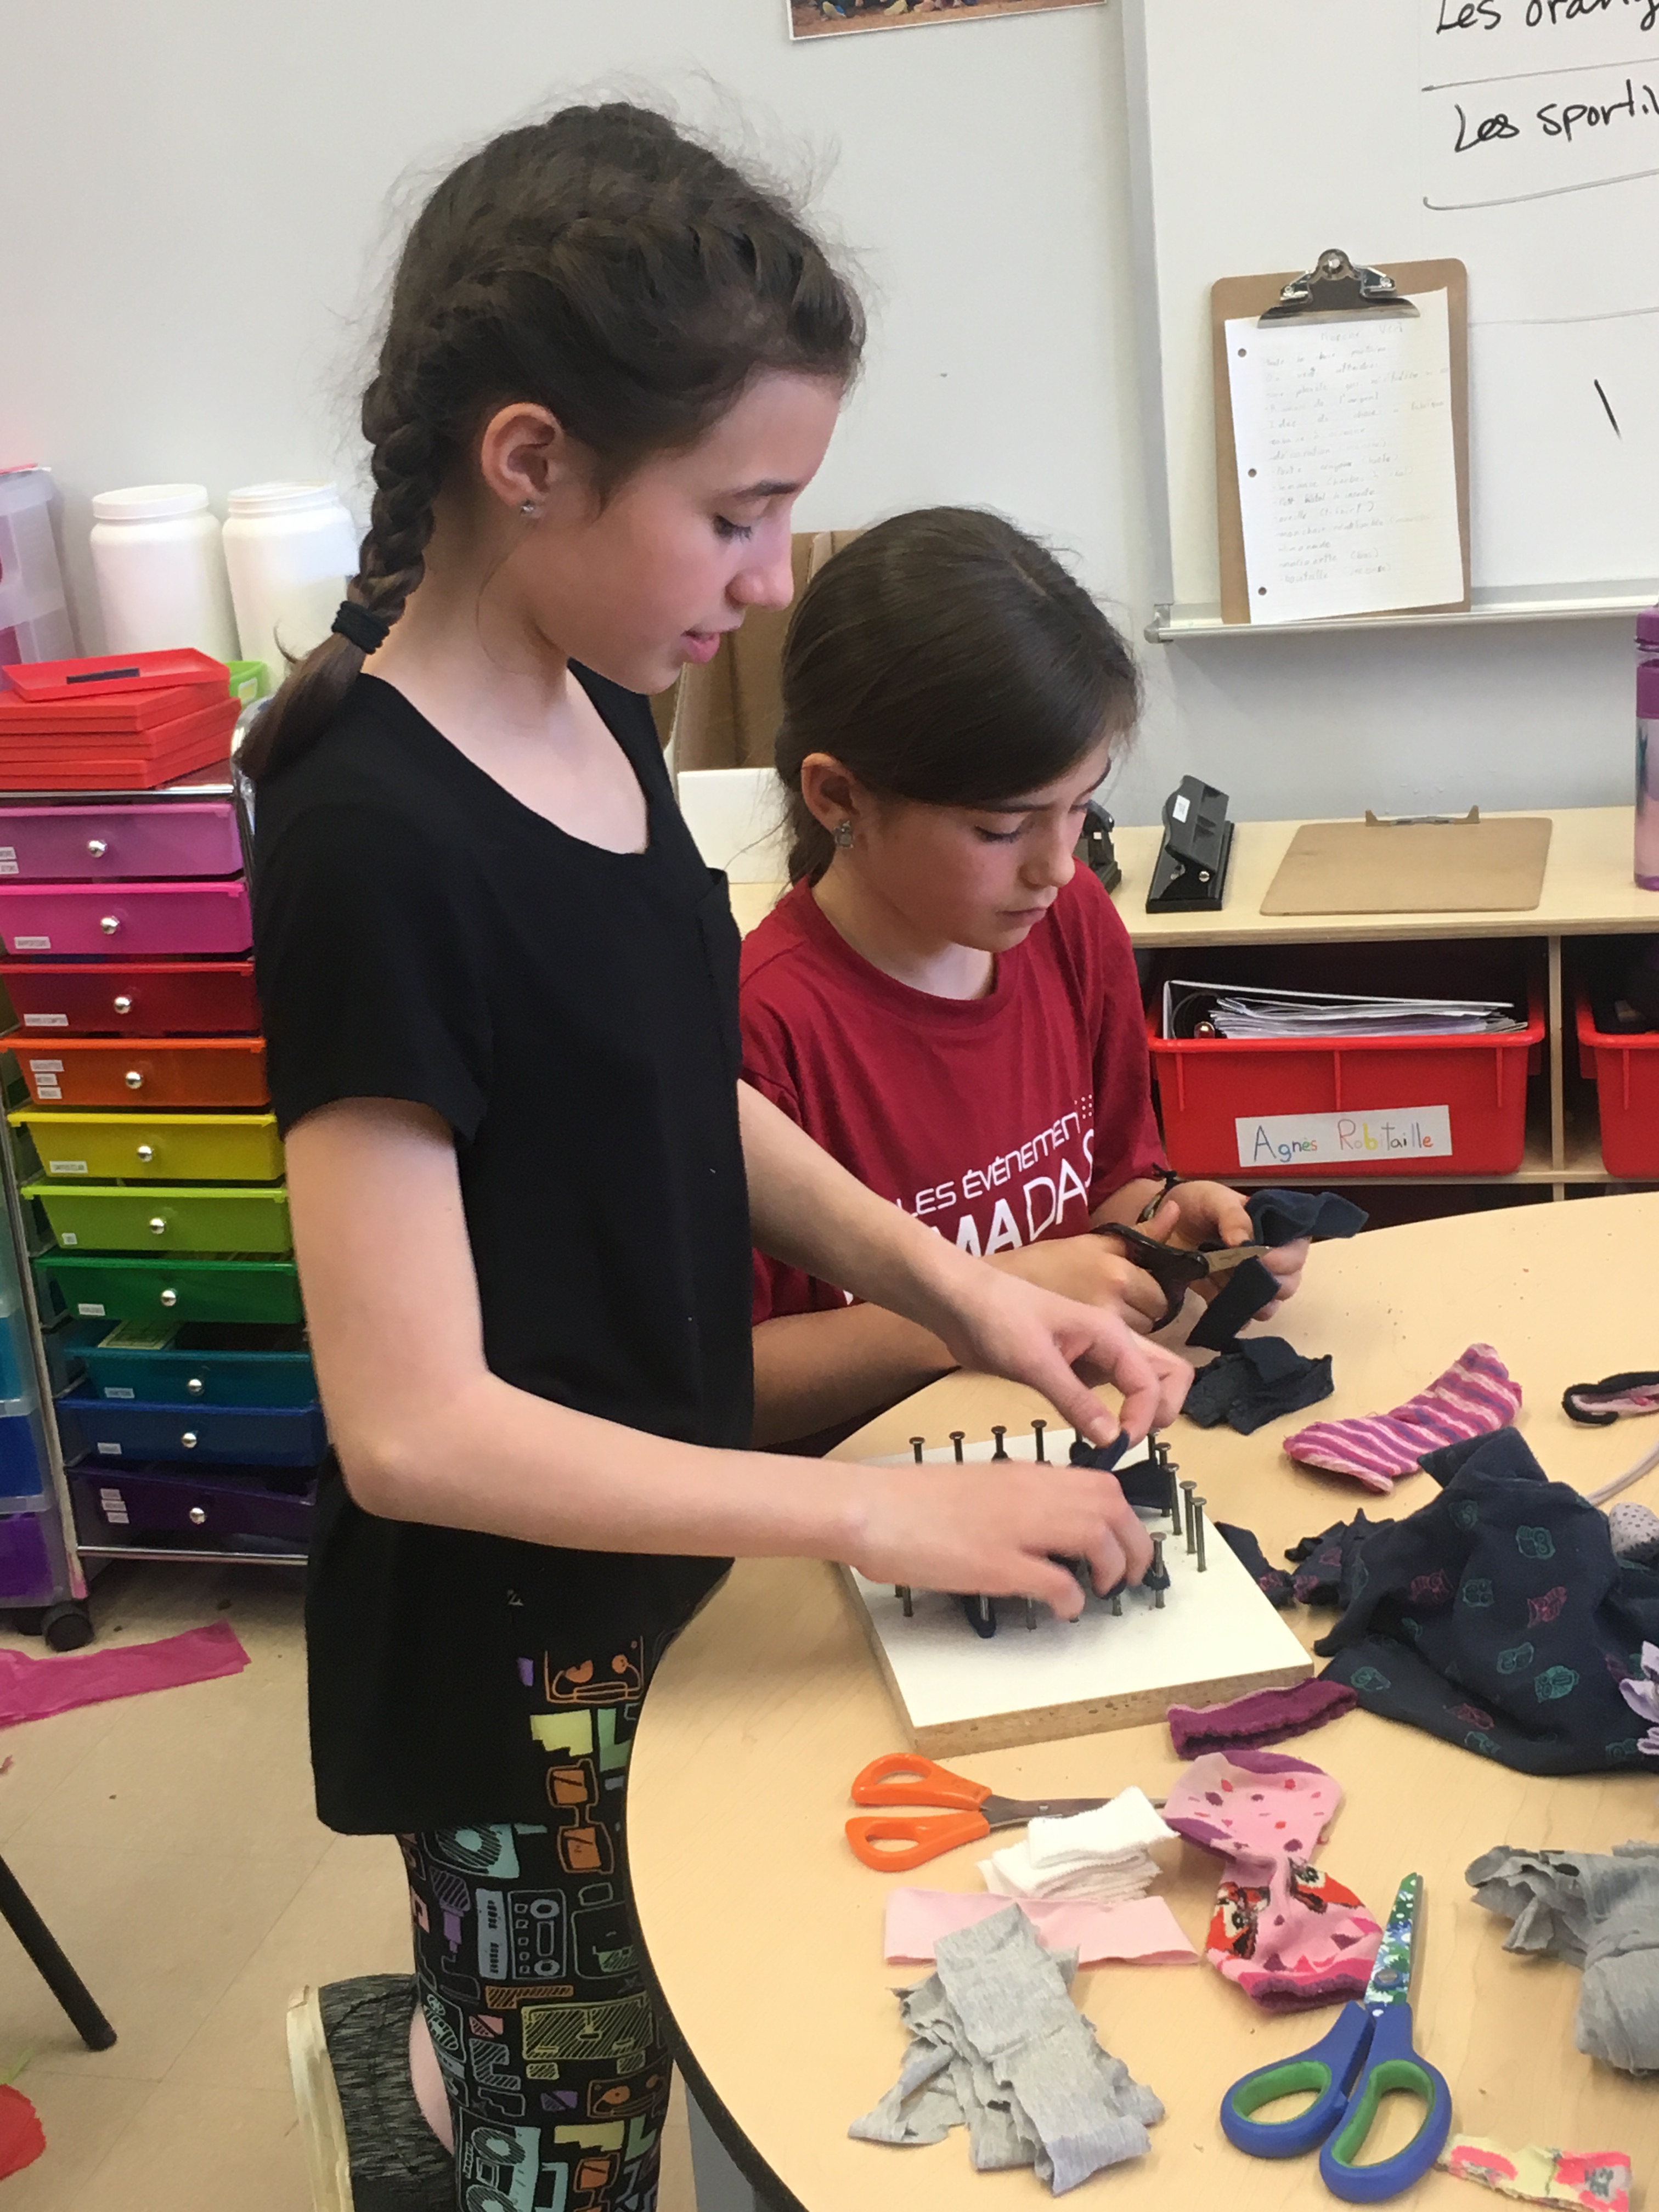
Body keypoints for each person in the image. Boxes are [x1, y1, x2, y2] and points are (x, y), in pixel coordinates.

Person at [247, 110, 1187, 2212]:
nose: (771, 580)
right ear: (528, 460)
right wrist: (869, 1505)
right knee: (574, 2147)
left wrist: (967, 1290)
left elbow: (666, 1082)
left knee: (721, 2008)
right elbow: (413, 1429)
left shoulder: (602, 707)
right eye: (737, 516)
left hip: (679, 1563)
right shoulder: (371, 842)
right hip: (513, 1661)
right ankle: (432, 2066)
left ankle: (450, 2042)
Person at [742, 508, 1310, 1451]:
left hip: (1061, 1440)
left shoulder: (1069, 919)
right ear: (839, 797)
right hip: (874, 1485)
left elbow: (1111, 1189)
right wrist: (986, 1301)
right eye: (1001, 829)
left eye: (1081, 808)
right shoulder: (759, 1029)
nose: (1055, 864)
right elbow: (727, 1387)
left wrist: (1170, 1230)